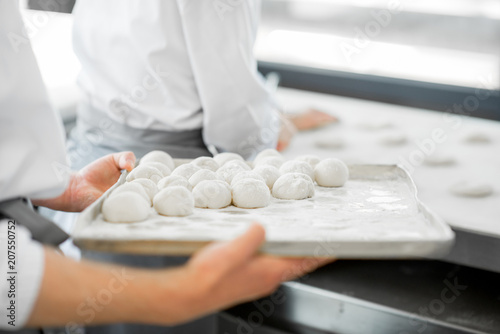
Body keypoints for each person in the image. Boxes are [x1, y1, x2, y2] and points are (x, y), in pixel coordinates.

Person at [0, 2, 331, 332]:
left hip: (85, 169)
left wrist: (59, 188)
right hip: (158, 185)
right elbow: (236, 122)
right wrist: (272, 126)